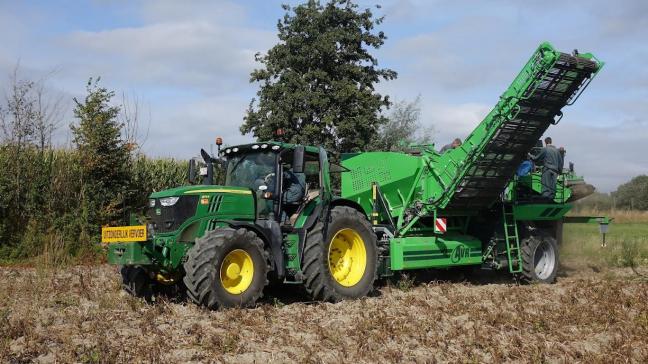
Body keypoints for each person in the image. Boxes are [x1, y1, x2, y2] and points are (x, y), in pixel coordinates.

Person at [530, 137, 564, 201]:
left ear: (545, 142)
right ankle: (552, 198)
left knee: (546, 187)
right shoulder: (557, 151)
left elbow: (536, 158)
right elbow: (560, 163)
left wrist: (530, 155)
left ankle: (545, 199)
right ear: (551, 141)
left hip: (547, 170)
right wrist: (560, 172)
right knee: (553, 187)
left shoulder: (545, 149)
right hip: (555, 171)